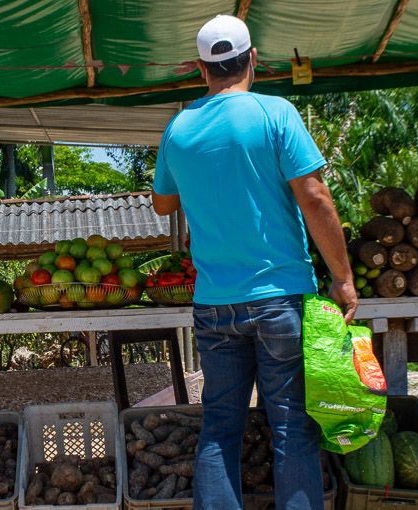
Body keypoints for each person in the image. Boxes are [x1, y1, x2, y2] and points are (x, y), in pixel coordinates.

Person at [150, 15, 357, 510]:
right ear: (254, 61)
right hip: (280, 299)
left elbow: (162, 203)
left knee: (220, 426)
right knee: (292, 427)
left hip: (215, 304)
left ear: (202, 69)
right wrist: (343, 279)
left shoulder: (179, 127)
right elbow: (315, 196)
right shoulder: (275, 113)